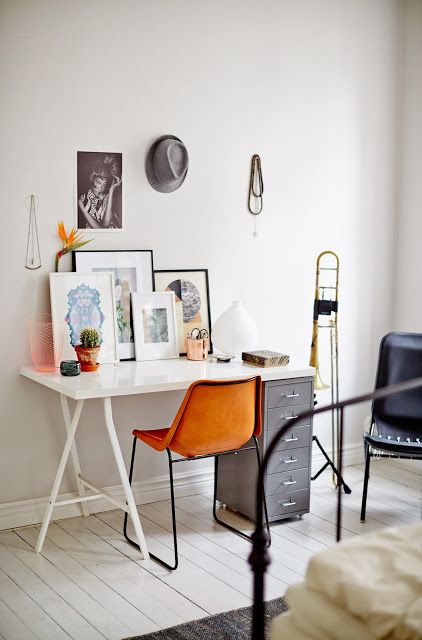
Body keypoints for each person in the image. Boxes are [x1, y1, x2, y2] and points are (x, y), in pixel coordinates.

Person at [78, 154, 122, 229]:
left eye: (104, 184)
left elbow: (106, 223)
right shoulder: (83, 200)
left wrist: (111, 191)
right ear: (92, 178)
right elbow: (102, 228)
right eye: (98, 182)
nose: (100, 187)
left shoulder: (107, 197)